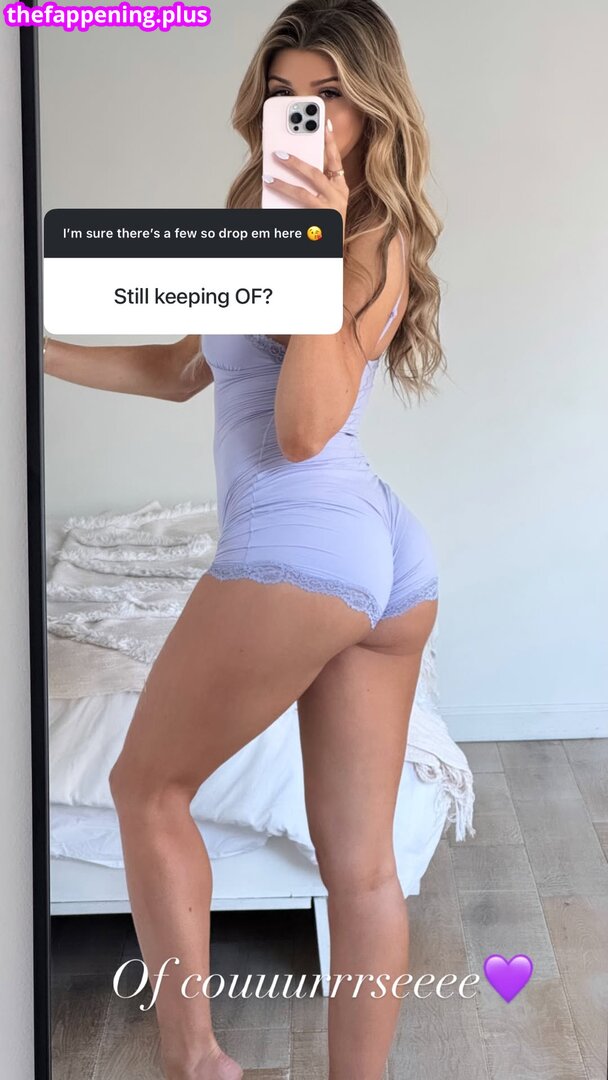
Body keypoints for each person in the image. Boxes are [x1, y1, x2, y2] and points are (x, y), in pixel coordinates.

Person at [44, 2, 446, 1077]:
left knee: (146, 789)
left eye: (329, 98)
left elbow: (304, 429)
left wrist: (314, 240)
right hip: (375, 553)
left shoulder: (370, 239)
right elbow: (186, 368)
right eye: (283, 96)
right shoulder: (251, 212)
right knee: (358, 868)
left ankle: (198, 1063)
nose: (302, 117)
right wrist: (37, 348)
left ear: (373, 110)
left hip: (304, 538)